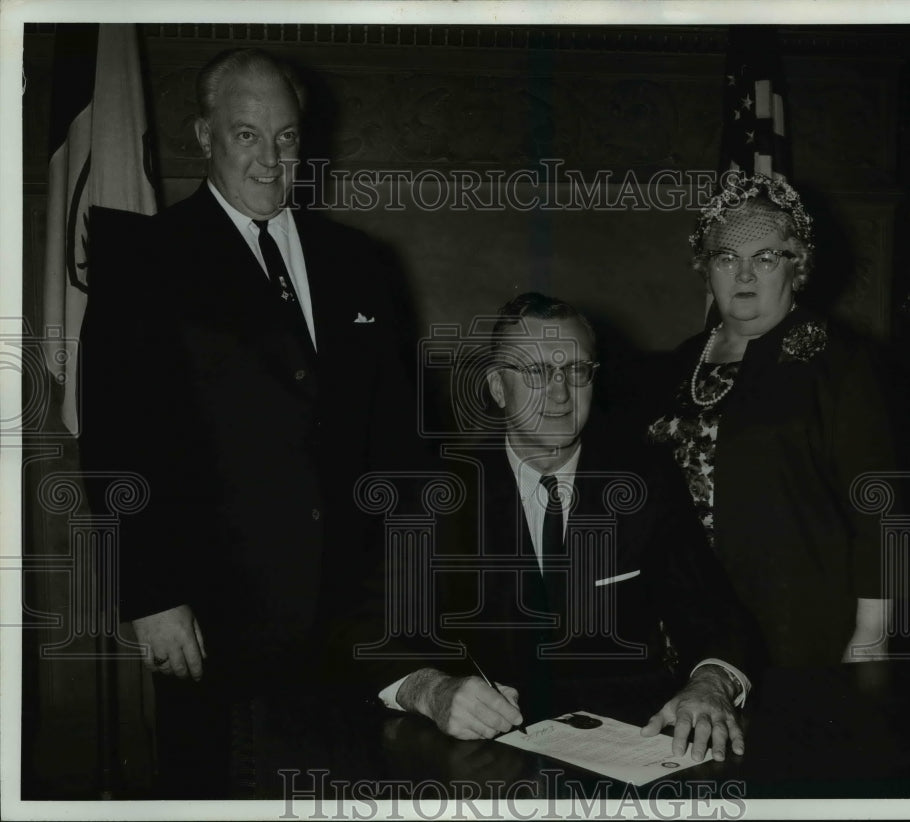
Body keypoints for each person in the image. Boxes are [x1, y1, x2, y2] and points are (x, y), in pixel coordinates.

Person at [79, 48, 416, 796]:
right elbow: (112, 441)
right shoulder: (146, 258)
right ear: (203, 135)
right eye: (246, 135)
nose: (271, 159)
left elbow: (396, 441)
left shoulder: (359, 261)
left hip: (349, 617)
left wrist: (401, 595)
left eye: (287, 137)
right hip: (212, 617)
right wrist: (149, 596)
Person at [381, 293, 758, 763]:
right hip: (484, 750)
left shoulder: (644, 480)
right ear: (498, 388)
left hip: (632, 742)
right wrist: (430, 690)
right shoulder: (440, 492)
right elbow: (363, 621)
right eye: (537, 372)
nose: (560, 393)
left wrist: (710, 682)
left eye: (576, 370)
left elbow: (713, 611)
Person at [647, 171, 894, 668]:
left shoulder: (838, 361)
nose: (743, 276)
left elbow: (883, 512)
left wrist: (871, 635)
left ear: (796, 266)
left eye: (764, 258)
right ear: (706, 268)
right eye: (726, 258)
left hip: (797, 625)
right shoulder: (679, 362)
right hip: (687, 619)